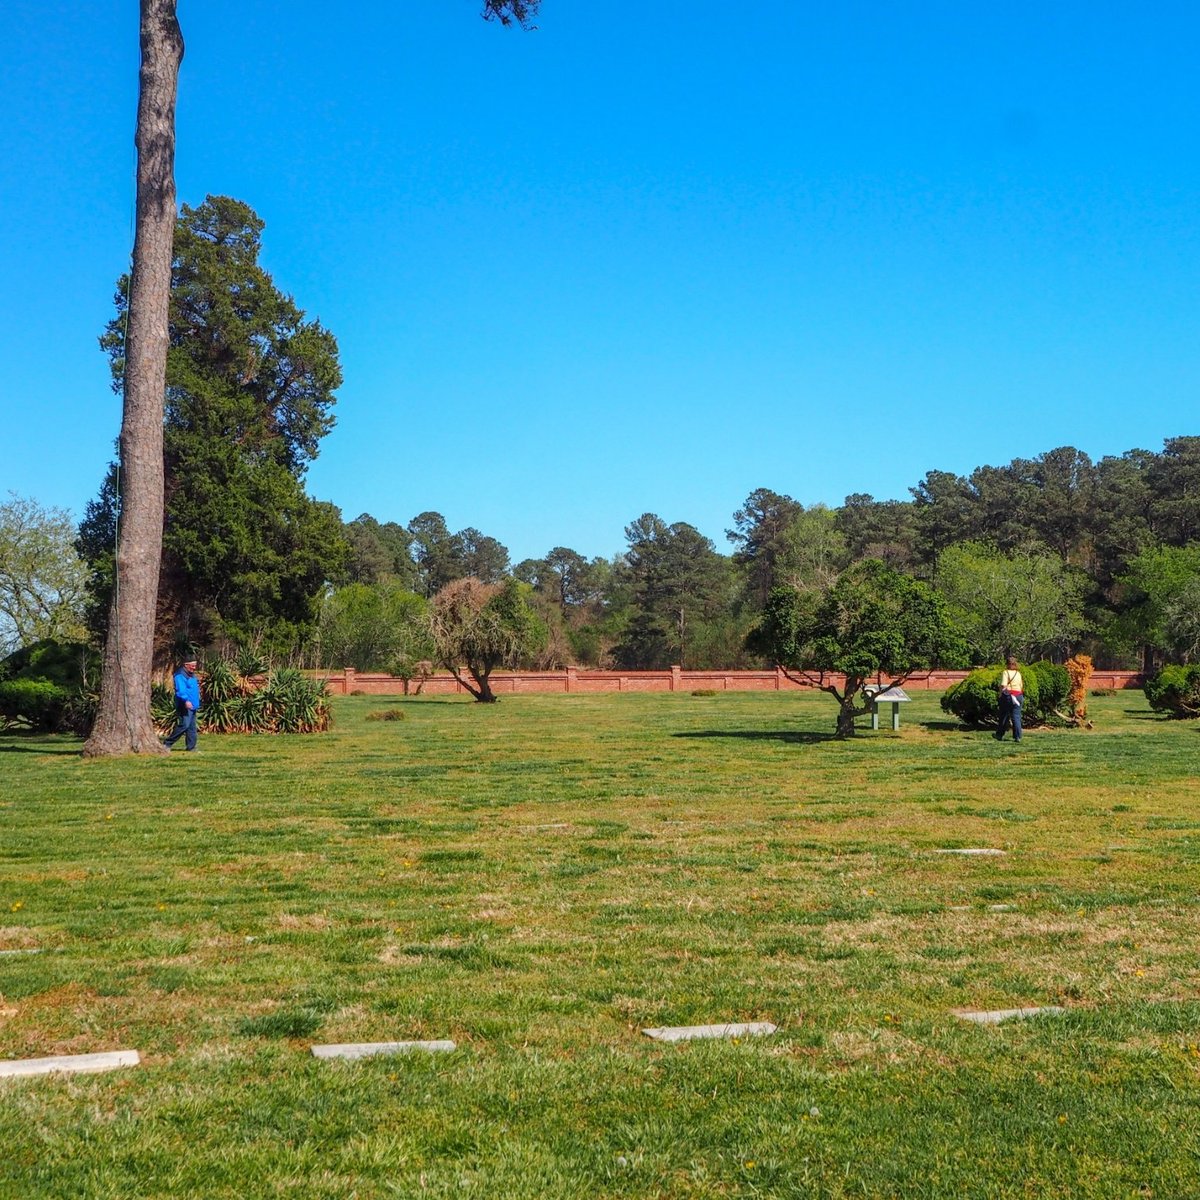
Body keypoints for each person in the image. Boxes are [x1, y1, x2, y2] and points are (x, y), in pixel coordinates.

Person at [164, 658, 202, 752]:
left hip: (193, 704)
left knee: (192, 727)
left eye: (195, 665)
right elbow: (181, 690)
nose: (194, 668)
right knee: (184, 725)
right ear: (186, 665)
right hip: (184, 704)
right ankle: (167, 744)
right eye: (192, 665)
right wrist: (186, 701)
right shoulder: (180, 675)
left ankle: (191, 747)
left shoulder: (192, 675)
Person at [995, 655, 1024, 743]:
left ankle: (1000, 734)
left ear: (1007, 664)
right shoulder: (1018, 673)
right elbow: (1021, 685)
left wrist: (1000, 694)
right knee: (1016, 716)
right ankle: (1018, 736)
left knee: (1004, 715)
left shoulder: (1006, 672)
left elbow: (1003, 685)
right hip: (1018, 695)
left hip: (1008, 695)